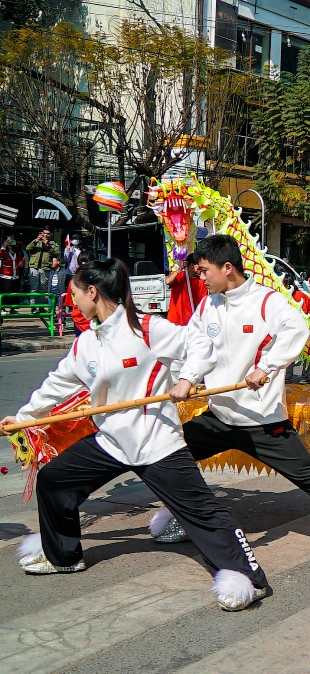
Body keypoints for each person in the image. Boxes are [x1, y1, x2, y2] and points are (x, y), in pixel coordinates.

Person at [2, 258, 270, 611]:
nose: (72, 300)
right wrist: (22, 418)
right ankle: (63, 555)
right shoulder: (87, 343)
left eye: (75, 293)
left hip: (156, 442)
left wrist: (187, 379)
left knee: (204, 513)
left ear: (92, 292)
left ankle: (249, 580)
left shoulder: (148, 329)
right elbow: (57, 385)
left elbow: (201, 345)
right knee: (54, 479)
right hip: (112, 442)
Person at [149, 235, 310, 572]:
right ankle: (186, 517)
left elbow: (297, 331)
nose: (201, 278)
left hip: (263, 421)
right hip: (219, 417)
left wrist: (265, 368)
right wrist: (184, 378)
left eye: (205, 271)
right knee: (164, 455)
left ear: (227, 267)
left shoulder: (267, 301)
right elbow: (193, 347)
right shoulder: (209, 305)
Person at [165, 253, 208, 326]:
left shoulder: (202, 281)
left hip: (192, 321)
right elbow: (168, 281)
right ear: (192, 265)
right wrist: (179, 269)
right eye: (199, 266)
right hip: (176, 321)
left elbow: (204, 302)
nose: (201, 269)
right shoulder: (180, 276)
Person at [26, 229, 60, 293]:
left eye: (48, 233)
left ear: (51, 234)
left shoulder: (53, 244)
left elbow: (56, 253)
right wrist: (36, 241)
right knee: (34, 288)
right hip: (34, 267)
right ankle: (33, 303)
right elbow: (28, 249)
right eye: (44, 233)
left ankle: (41, 303)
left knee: (43, 288)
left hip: (45, 268)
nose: (46, 235)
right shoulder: (36, 241)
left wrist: (48, 245)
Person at [0, 237, 22, 310]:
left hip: (15, 276)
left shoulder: (18, 252)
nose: (10, 243)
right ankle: (3, 308)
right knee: (5, 293)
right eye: (8, 241)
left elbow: (22, 259)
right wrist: (3, 246)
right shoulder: (4, 252)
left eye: (11, 241)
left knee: (14, 293)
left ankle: (13, 309)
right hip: (5, 276)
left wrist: (22, 263)